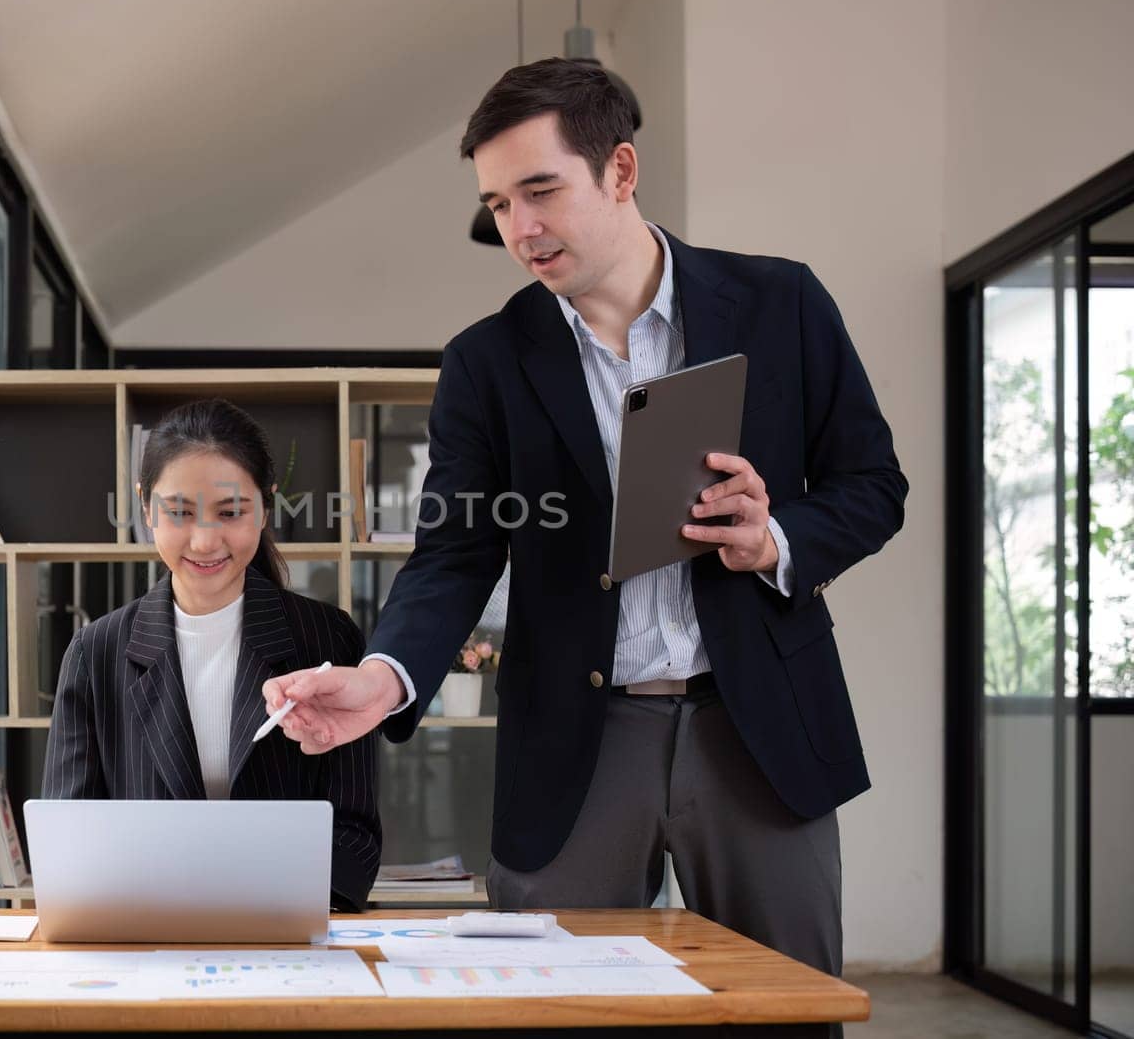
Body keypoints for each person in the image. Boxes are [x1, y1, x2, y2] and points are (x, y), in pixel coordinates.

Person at [266, 57, 907, 976]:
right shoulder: (485, 363)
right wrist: (384, 674)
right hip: (577, 739)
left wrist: (777, 541)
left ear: (621, 171)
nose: (520, 229)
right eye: (496, 206)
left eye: (540, 191)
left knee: (788, 1005)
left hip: (759, 723)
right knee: (551, 1004)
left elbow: (873, 484)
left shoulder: (783, 304)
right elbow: (453, 554)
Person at [43, 398, 380, 911]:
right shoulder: (97, 653)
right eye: (179, 512)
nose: (204, 541)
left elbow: (354, 835)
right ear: (145, 506)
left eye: (230, 513)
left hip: (286, 935)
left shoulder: (326, 640)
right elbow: (69, 839)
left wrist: (270, 909)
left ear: (265, 507)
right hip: (143, 936)